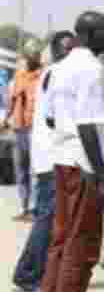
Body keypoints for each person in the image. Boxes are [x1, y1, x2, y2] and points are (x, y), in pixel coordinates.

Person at [33, 11, 104, 292]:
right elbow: (87, 126)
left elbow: (53, 118)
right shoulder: (92, 69)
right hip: (83, 166)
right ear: (91, 34)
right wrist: (101, 177)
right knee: (81, 245)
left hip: (62, 160)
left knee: (60, 242)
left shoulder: (60, 68)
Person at [12, 31, 76, 292]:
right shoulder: (56, 74)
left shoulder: (51, 75)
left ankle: (37, 271)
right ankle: (28, 272)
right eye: (66, 48)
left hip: (50, 157)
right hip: (52, 159)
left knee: (51, 217)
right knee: (47, 218)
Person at [4, 41, 45, 221]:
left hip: (35, 129)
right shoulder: (19, 75)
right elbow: (11, 100)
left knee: (34, 171)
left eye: (32, 56)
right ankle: (25, 207)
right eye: (27, 56)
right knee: (21, 169)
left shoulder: (44, 76)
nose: (29, 59)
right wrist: (6, 119)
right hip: (19, 128)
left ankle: (35, 209)